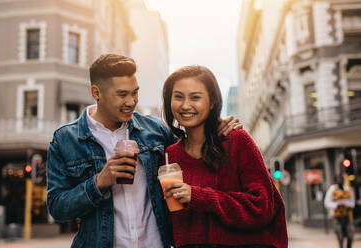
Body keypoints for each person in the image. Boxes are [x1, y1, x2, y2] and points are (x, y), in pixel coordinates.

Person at [46, 54, 241, 248]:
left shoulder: (155, 130)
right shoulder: (65, 140)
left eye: (135, 93)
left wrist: (215, 126)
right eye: (122, 94)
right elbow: (58, 208)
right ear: (96, 93)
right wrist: (99, 182)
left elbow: (193, 154)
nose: (131, 102)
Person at [161, 65, 288, 248]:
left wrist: (198, 196)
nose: (186, 105)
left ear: (212, 101)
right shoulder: (170, 155)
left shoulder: (237, 140)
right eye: (178, 97)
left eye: (195, 97)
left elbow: (262, 207)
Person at [324, 174, 355, 248]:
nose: (340, 181)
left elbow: (352, 202)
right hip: (336, 217)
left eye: (341, 179)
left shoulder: (347, 189)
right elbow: (327, 202)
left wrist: (347, 205)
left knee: (350, 234)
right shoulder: (332, 189)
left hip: (346, 216)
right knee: (340, 236)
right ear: (335, 180)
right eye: (338, 179)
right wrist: (336, 205)